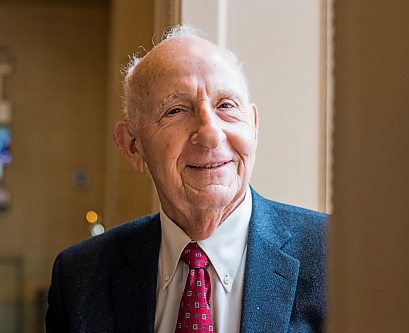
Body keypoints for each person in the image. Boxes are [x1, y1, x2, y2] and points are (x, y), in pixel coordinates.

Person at [46, 25, 328, 333]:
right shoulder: (80, 279)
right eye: (176, 110)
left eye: (226, 106)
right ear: (132, 145)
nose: (209, 134)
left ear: (254, 125)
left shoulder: (334, 254)